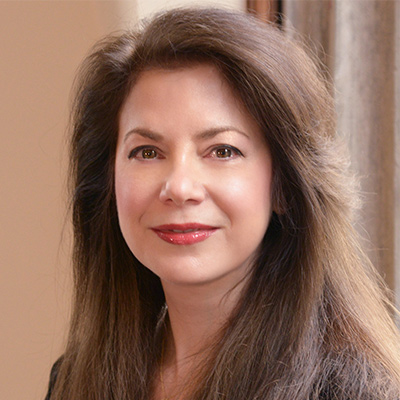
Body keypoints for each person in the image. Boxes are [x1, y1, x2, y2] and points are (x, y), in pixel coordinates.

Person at [45, 7, 400, 400]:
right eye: (146, 152)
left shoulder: (350, 391)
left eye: (223, 151)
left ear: (284, 185)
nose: (179, 187)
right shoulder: (72, 381)